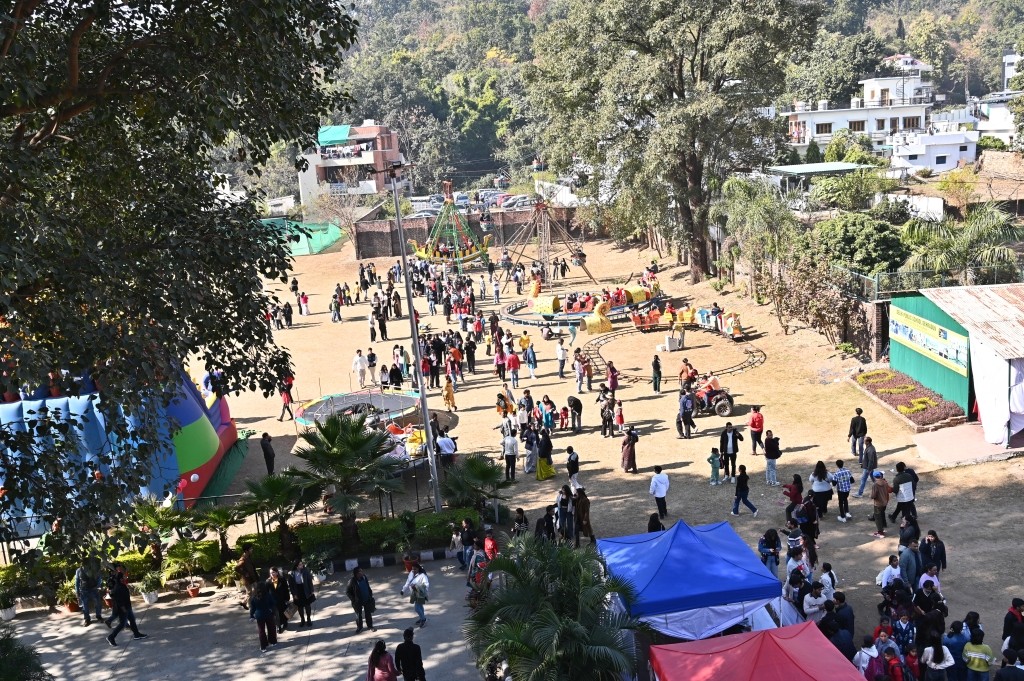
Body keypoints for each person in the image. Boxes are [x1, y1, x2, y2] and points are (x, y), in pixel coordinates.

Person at [249, 580, 277, 653]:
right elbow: (273, 603)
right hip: (268, 614)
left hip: (259, 615)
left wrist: (251, 616)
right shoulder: (268, 595)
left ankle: (263, 646)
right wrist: (271, 609)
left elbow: (252, 608)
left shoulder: (254, 597)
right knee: (271, 628)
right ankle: (273, 641)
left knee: (261, 631)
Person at [346, 567, 375, 633]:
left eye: (362, 571)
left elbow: (367, 586)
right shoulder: (352, 581)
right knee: (358, 615)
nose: (362, 573)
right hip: (358, 601)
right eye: (360, 572)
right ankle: (359, 627)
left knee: (368, 614)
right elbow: (348, 592)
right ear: (357, 574)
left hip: (367, 599)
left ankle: (370, 626)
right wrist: (354, 600)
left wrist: (370, 594)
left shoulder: (364, 577)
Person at [401, 563, 430, 628]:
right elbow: (408, 582)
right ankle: (422, 618)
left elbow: (426, 585)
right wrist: (403, 590)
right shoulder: (411, 573)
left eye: (415, 569)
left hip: (420, 593)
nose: (413, 570)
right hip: (414, 593)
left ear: (418, 569)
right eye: (412, 569)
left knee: (417, 608)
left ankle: (423, 619)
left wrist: (417, 587)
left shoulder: (423, 575)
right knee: (420, 606)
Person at [74, 561, 103, 627]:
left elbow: (99, 578)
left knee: (98, 604)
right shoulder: (78, 570)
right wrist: (77, 592)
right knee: (85, 606)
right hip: (84, 591)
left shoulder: (94, 569)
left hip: (94, 589)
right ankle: (87, 619)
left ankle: (98, 616)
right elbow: (77, 582)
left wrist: (98, 586)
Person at [289, 559, 315, 626]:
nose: (302, 565)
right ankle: (302, 619)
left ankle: (308, 619)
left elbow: (309, 581)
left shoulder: (305, 571)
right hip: (297, 590)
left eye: (302, 564)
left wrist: (312, 590)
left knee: (307, 605)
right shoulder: (292, 573)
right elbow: (291, 585)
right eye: (300, 564)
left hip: (305, 590)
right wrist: (294, 594)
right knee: (300, 607)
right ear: (296, 566)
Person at [870, 471, 893, 538]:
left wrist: (871, 496)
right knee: (882, 514)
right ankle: (882, 528)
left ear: (874, 477)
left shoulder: (875, 485)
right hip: (884, 502)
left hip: (878, 503)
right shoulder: (885, 482)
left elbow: (873, 495)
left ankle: (880, 532)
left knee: (877, 517)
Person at [236, 543, 259, 608]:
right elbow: (236, 568)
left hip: (252, 577)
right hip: (247, 579)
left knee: (254, 590)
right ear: (246, 550)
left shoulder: (248, 556)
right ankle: (250, 606)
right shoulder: (243, 559)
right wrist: (245, 573)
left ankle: (244, 602)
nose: (252, 550)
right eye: (250, 549)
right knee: (250, 592)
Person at [268, 568, 291, 633]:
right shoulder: (268, 581)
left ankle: (285, 622)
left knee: (283, 612)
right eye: (271, 573)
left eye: (273, 572)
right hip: (273, 601)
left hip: (281, 599)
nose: (272, 574)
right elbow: (266, 592)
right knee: (276, 614)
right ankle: (278, 626)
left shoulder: (282, 580)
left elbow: (286, 589)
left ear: (277, 572)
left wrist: (287, 598)